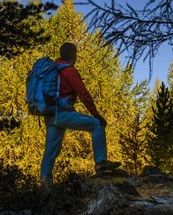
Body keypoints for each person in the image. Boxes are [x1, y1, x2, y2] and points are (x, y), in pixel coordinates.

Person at [40, 42, 120, 184]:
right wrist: (95, 114)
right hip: (63, 114)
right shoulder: (69, 70)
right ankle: (101, 163)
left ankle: (45, 184)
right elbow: (83, 93)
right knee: (96, 125)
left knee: (50, 152)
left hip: (50, 115)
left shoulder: (53, 69)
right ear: (74, 55)